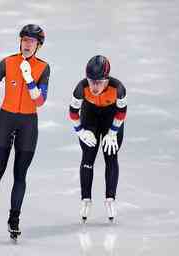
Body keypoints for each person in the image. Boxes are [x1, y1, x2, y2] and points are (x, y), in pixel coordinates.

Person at [0, 24, 50, 239]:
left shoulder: (43, 68)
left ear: (38, 46)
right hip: (5, 120)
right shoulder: (7, 62)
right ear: (20, 41)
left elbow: (40, 101)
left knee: (20, 175)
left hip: (28, 124)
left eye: (31, 41)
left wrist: (30, 80)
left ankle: (14, 219)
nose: (27, 44)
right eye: (24, 40)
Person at [69, 55, 127, 223]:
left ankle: (110, 199)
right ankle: (85, 199)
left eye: (99, 82)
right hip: (90, 118)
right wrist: (80, 132)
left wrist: (113, 132)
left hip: (111, 118)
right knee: (88, 156)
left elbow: (122, 112)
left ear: (106, 79)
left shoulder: (118, 88)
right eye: (91, 81)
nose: (94, 86)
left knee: (111, 156)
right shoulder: (81, 88)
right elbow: (73, 113)